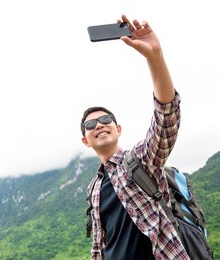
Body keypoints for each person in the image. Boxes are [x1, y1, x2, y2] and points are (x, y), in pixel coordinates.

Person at [81, 15, 189, 260]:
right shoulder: (94, 188)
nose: (99, 124)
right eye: (90, 124)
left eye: (106, 119)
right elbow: (99, 244)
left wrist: (155, 56)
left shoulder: (139, 161)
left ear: (119, 129)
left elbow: (166, 118)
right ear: (86, 141)